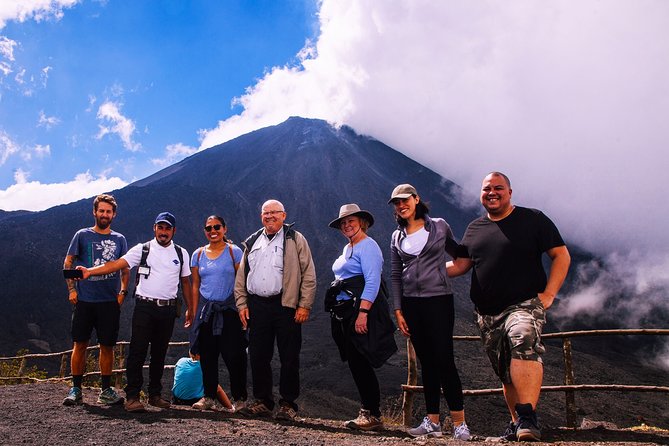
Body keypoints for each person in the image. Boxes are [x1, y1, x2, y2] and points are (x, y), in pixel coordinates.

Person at [447, 172, 571, 442]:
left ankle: (527, 415)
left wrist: (549, 293)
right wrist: (423, 268)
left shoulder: (533, 219)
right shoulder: (475, 228)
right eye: (486, 189)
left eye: (498, 188)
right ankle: (518, 423)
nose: (492, 193)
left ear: (510, 192)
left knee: (523, 336)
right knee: (505, 372)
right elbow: (460, 266)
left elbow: (561, 254)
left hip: (523, 304)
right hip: (486, 314)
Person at [78, 211, 193, 413]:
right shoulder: (143, 249)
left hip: (167, 309)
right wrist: (90, 272)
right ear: (154, 228)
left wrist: (191, 308)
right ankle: (132, 397)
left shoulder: (181, 253)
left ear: (173, 231)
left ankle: (155, 395)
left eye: (167, 228)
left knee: (159, 353)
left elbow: (185, 282)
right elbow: (116, 264)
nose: (163, 232)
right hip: (144, 308)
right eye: (160, 227)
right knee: (137, 352)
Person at [388, 184, 471, 441]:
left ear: (416, 199)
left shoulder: (439, 226)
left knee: (445, 359)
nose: (401, 206)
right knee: (427, 363)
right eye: (396, 203)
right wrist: (398, 309)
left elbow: (460, 256)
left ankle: (459, 423)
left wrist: (439, 273)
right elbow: (395, 275)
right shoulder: (396, 236)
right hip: (412, 305)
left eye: (405, 201)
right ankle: (432, 421)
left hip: (439, 301)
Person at [234, 199, 317, 420]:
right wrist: (241, 304)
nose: (269, 217)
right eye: (265, 213)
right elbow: (242, 276)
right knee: (258, 355)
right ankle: (263, 401)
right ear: (261, 216)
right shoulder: (252, 241)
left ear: (283, 215)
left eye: (274, 213)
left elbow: (308, 273)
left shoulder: (295, 239)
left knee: (289, 356)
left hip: (286, 305)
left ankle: (288, 404)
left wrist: (304, 304)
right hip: (257, 305)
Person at [326, 204, 397, 431]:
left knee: (361, 361)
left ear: (362, 222)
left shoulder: (369, 246)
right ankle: (369, 411)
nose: (347, 225)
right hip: (346, 309)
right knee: (356, 361)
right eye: (343, 222)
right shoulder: (349, 247)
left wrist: (363, 313)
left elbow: (373, 281)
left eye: (351, 221)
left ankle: (372, 413)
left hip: (360, 309)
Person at [62, 194, 129, 406]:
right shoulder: (82, 235)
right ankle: (76, 389)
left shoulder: (120, 239)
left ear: (114, 214)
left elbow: (125, 269)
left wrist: (123, 293)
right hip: (85, 300)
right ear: (94, 212)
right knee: (79, 343)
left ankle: (106, 389)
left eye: (108, 211)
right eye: (101, 210)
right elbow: (68, 262)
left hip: (109, 301)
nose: (104, 214)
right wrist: (72, 289)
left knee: (107, 346)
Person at [189, 215, 248, 412]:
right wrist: (194, 311)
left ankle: (240, 399)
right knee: (207, 356)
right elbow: (195, 285)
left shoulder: (234, 252)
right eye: (208, 228)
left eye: (217, 227)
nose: (212, 231)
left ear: (225, 229)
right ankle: (209, 397)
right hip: (207, 313)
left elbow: (243, 281)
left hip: (230, 311)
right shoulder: (197, 255)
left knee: (234, 356)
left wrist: (244, 307)